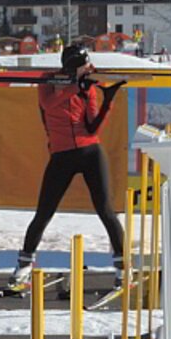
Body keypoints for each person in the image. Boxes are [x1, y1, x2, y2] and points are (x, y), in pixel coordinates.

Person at [10, 44, 126, 288]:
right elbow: (48, 104)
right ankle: (23, 266)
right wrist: (75, 87)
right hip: (62, 154)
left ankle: (123, 269)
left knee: (106, 210)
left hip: (89, 150)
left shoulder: (88, 85)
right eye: (84, 65)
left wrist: (108, 101)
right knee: (44, 212)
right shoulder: (48, 81)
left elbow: (93, 128)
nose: (88, 69)